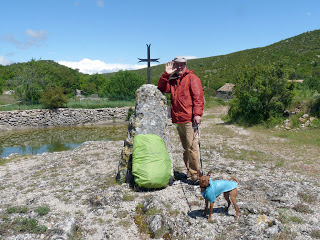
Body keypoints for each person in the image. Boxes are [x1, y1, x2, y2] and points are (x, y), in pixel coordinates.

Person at [158, 56, 204, 183]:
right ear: (173, 66)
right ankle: (190, 172)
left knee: (192, 147)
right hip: (179, 119)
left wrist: (197, 114)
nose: (179, 67)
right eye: (176, 64)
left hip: (190, 119)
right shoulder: (173, 80)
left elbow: (198, 97)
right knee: (185, 148)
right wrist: (165, 74)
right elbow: (162, 88)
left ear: (185, 65)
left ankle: (195, 176)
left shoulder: (192, 78)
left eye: (181, 64)